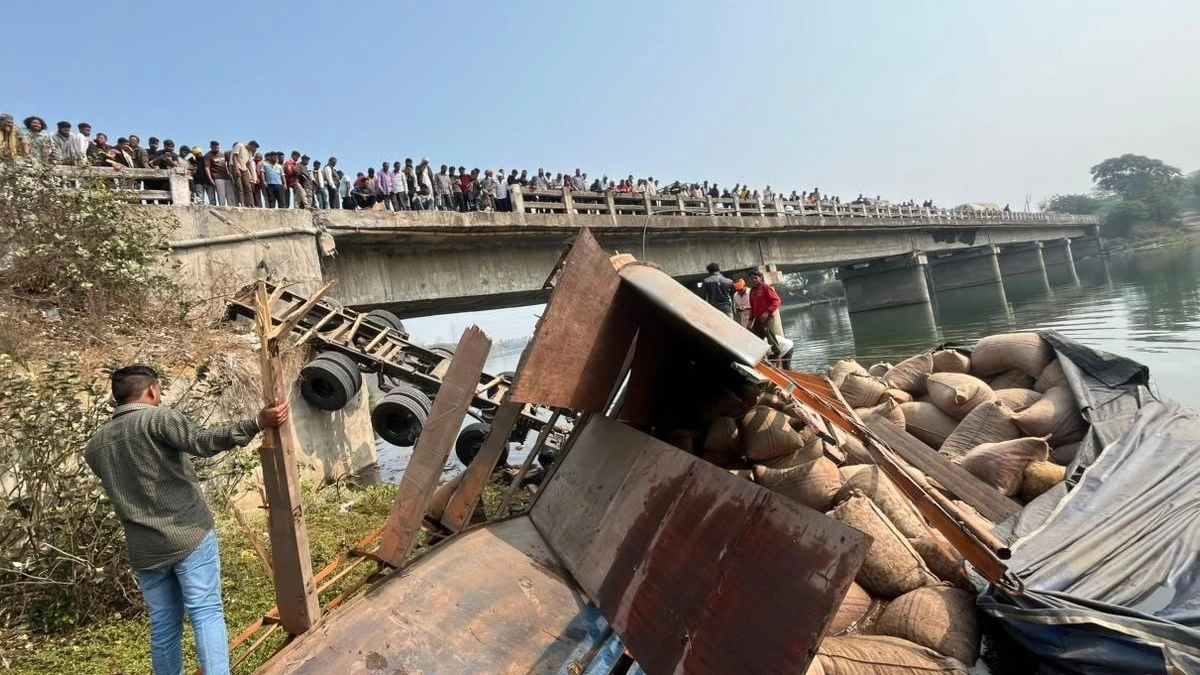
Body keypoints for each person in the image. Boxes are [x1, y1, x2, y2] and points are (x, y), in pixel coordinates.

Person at [84, 365, 290, 675]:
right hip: (189, 535)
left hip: (145, 550)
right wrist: (257, 423)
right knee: (206, 612)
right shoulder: (158, 419)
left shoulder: (95, 446)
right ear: (152, 390)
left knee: (164, 625)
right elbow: (203, 442)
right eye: (159, 390)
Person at [748, 269, 783, 358]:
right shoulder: (751, 291)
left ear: (760, 278)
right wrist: (750, 320)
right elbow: (752, 307)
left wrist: (767, 312)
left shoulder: (765, 287)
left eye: (755, 278)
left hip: (767, 319)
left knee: (771, 339)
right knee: (756, 340)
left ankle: (778, 360)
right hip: (757, 319)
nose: (753, 280)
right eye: (752, 278)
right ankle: (762, 359)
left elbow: (777, 300)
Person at [229, 140, 259, 207]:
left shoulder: (249, 152)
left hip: (244, 168)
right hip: (235, 167)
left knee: (248, 187)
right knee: (240, 187)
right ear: (251, 145)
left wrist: (252, 175)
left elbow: (249, 164)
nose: (254, 150)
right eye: (254, 148)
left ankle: (251, 204)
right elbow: (235, 157)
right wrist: (236, 169)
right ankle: (242, 203)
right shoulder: (239, 145)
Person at [205, 141, 235, 206]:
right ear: (211, 147)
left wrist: (229, 174)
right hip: (217, 177)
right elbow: (207, 168)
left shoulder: (222, 154)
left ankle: (232, 208)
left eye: (218, 147)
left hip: (226, 177)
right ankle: (222, 208)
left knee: (230, 195)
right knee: (221, 195)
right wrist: (211, 179)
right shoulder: (208, 156)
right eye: (215, 147)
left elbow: (226, 165)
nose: (217, 149)